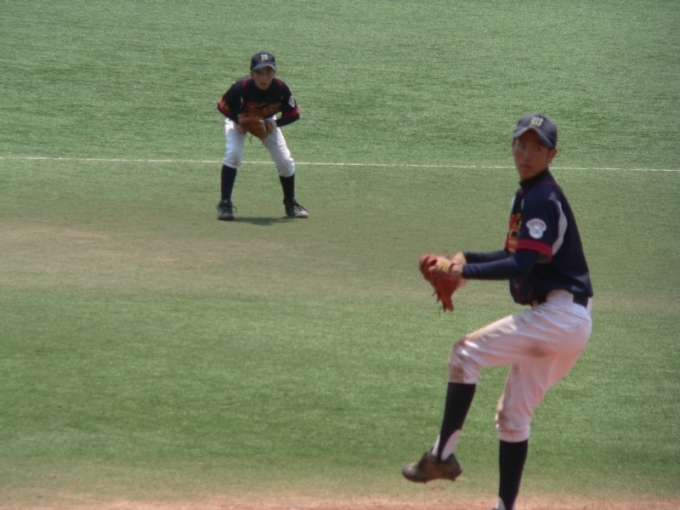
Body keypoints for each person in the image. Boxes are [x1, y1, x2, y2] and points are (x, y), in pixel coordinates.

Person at [402, 113, 594, 510]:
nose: (526, 154)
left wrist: (460, 271)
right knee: (513, 417)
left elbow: (521, 265)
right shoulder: (529, 195)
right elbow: (511, 254)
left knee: (464, 353)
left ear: (552, 154)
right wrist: (466, 258)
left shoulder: (541, 198)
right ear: (512, 146)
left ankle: (441, 456)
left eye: (537, 147)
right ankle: (505, 507)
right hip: (566, 321)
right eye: (521, 145)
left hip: (559, 317)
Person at [216, 50, 308, 221]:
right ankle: (225, 204)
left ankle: (290, 203)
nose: (264, 77)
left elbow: (293, 114)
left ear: (275, 73)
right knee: (233, 154)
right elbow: (222, 106)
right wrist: (238, 121)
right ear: (252, 74)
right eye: (260, 73)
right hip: (238, 119)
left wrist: (273, 124)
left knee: (285, 162)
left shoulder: (280, 89)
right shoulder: (240, 87)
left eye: (268, 72)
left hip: (266, 121)